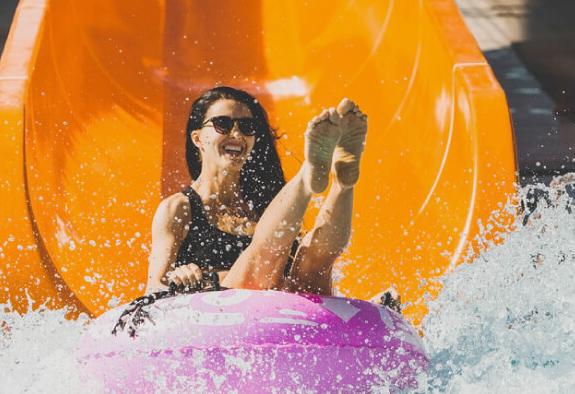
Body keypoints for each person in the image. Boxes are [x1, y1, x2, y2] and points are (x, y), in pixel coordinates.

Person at [146, 86, 397, 305]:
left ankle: (344, 183)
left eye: (247, 126)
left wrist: (362, 311)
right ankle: (307, 176)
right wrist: (180, 277)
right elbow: (155, 286)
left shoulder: (266, 206)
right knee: (265, 254)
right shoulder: (179, 208)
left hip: (281, 320)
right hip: (221, 321)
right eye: (223, 124)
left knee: (312, 262)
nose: (237, 134)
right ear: (198, 138)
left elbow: (304, 280)